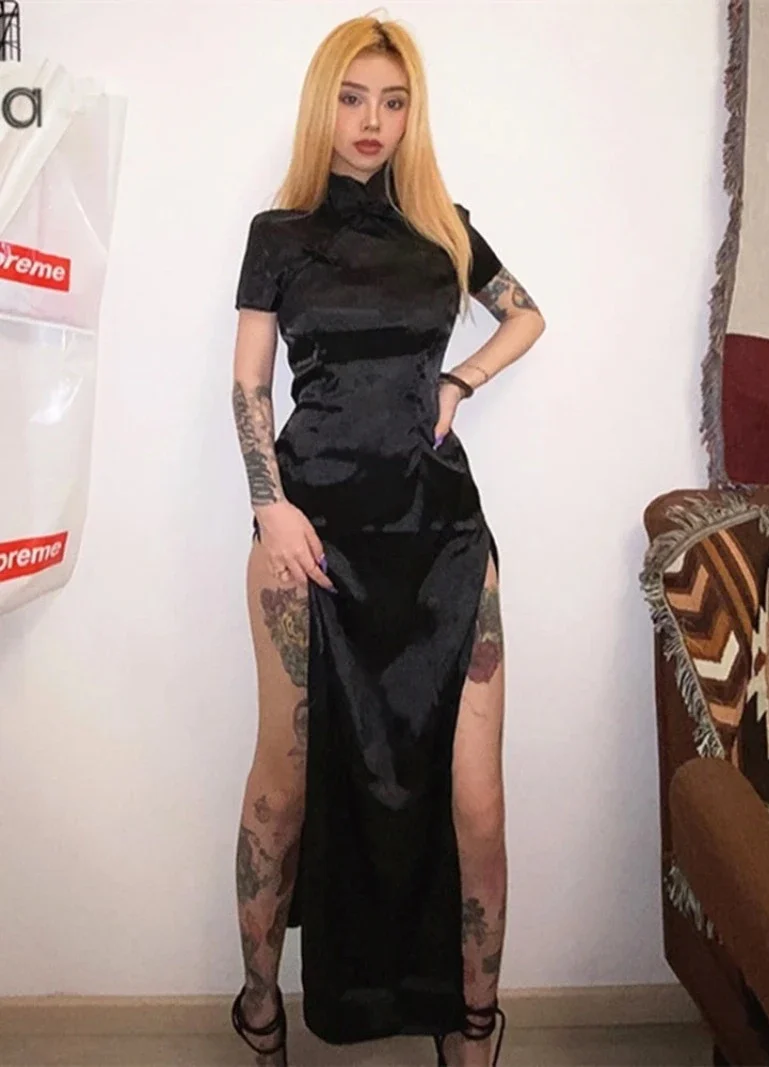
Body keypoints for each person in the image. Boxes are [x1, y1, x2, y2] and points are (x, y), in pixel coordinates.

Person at [229, 14, 545, 1067]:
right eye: (354, 97)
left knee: (477, 804)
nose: (373, 120)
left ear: (413, 114)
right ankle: (260, 1002)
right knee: (282, 788)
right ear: (324, 103)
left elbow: (527, 316)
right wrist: (269, 505)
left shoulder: (446, 230)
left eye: (394, 101)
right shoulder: (279, 234)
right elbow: (248, 383)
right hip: (307, 538)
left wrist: (461, 378)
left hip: (440, 535)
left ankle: (473, 1021)